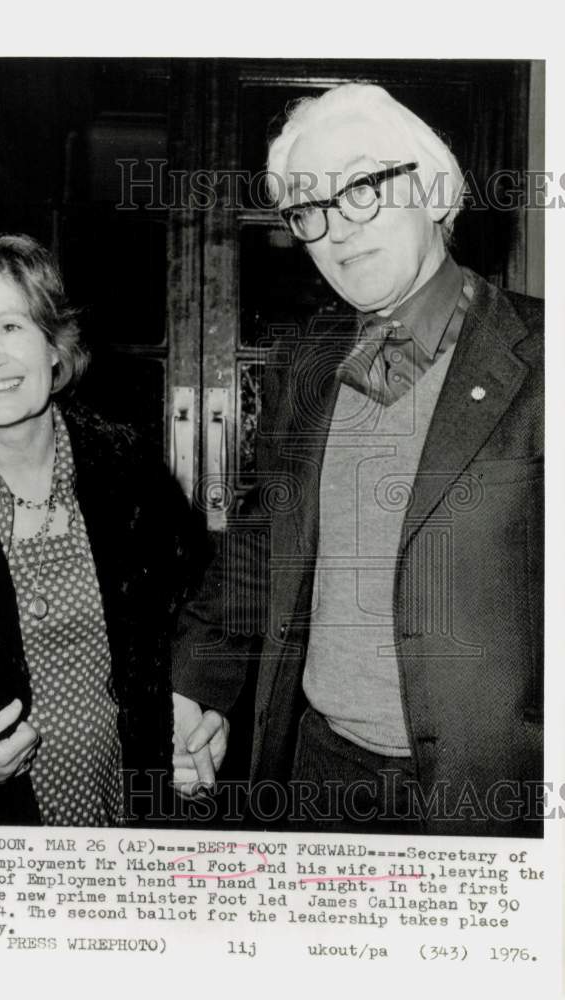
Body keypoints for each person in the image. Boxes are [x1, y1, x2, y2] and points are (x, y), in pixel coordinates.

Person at [171, 83, 544, 837]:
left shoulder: (545, 357)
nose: (337, 230)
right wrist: (192, 687)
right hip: (317, 774)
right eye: (309, 211)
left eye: (363, 189)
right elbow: (259, 543)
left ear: (435, 192)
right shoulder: (307, 362)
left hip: (489, 794)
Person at [0, 233, 192, 826]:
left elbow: (199, 614)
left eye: (11, 328)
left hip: (131, 818)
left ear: (54, 345)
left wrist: (199, 709)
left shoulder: (132, 477)